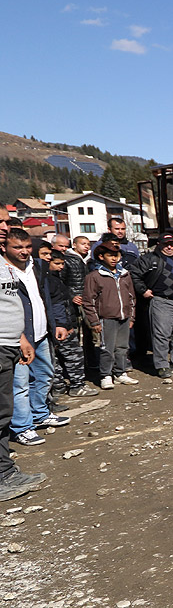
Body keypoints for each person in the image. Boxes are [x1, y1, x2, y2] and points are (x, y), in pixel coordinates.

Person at [5, 229, 70, 447]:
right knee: (20, 384)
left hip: (41, 333)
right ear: (5, 247)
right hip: (18, 337)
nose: (24, 252)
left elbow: (52, 297)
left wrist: (59, 323)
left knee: (44, 375)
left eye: (27, 247)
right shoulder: (4, 271)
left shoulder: (38, 267)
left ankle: (39, 413)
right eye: (18, 247)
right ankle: (22, 427)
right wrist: (19, 336)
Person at [0, 210, 47, 500]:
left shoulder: (2, 263)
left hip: (8, 343)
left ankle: (4, 472)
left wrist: (20, 338)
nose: (5, 227)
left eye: (6, 221)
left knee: (2, 414)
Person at [127, 234, 173, 378]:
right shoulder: (150, 259)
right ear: (159, 244)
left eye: (171, 244)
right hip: (163, 301)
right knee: (161, 335)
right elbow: (133, 273)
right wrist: (143, 290)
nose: (169, 247)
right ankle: (162, 365)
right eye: (166, 244)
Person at [83, 241, 138, 389]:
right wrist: (94, 321)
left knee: (122, 347)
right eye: (110, 255)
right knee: (107, 348)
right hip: (106, 318)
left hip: (124, 316)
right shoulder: (94, 276)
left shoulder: (125, 274)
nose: (114, 258)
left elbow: (131, 296)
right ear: (101, 257)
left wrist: (131, 316)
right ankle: (106, 375)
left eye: (116, 255)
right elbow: (89, 301)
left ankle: (120, 373)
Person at [46, 251, 97, 400]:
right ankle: (76, 385)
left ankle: (60, 386)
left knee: (59, 357)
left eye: (62, 263)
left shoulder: (56, 280)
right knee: (73, 355)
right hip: (60, 325)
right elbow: (57, 305)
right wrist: (63, 324)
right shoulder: (48, 281)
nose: (61, 267)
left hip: (64, 322)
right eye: (57, 263)